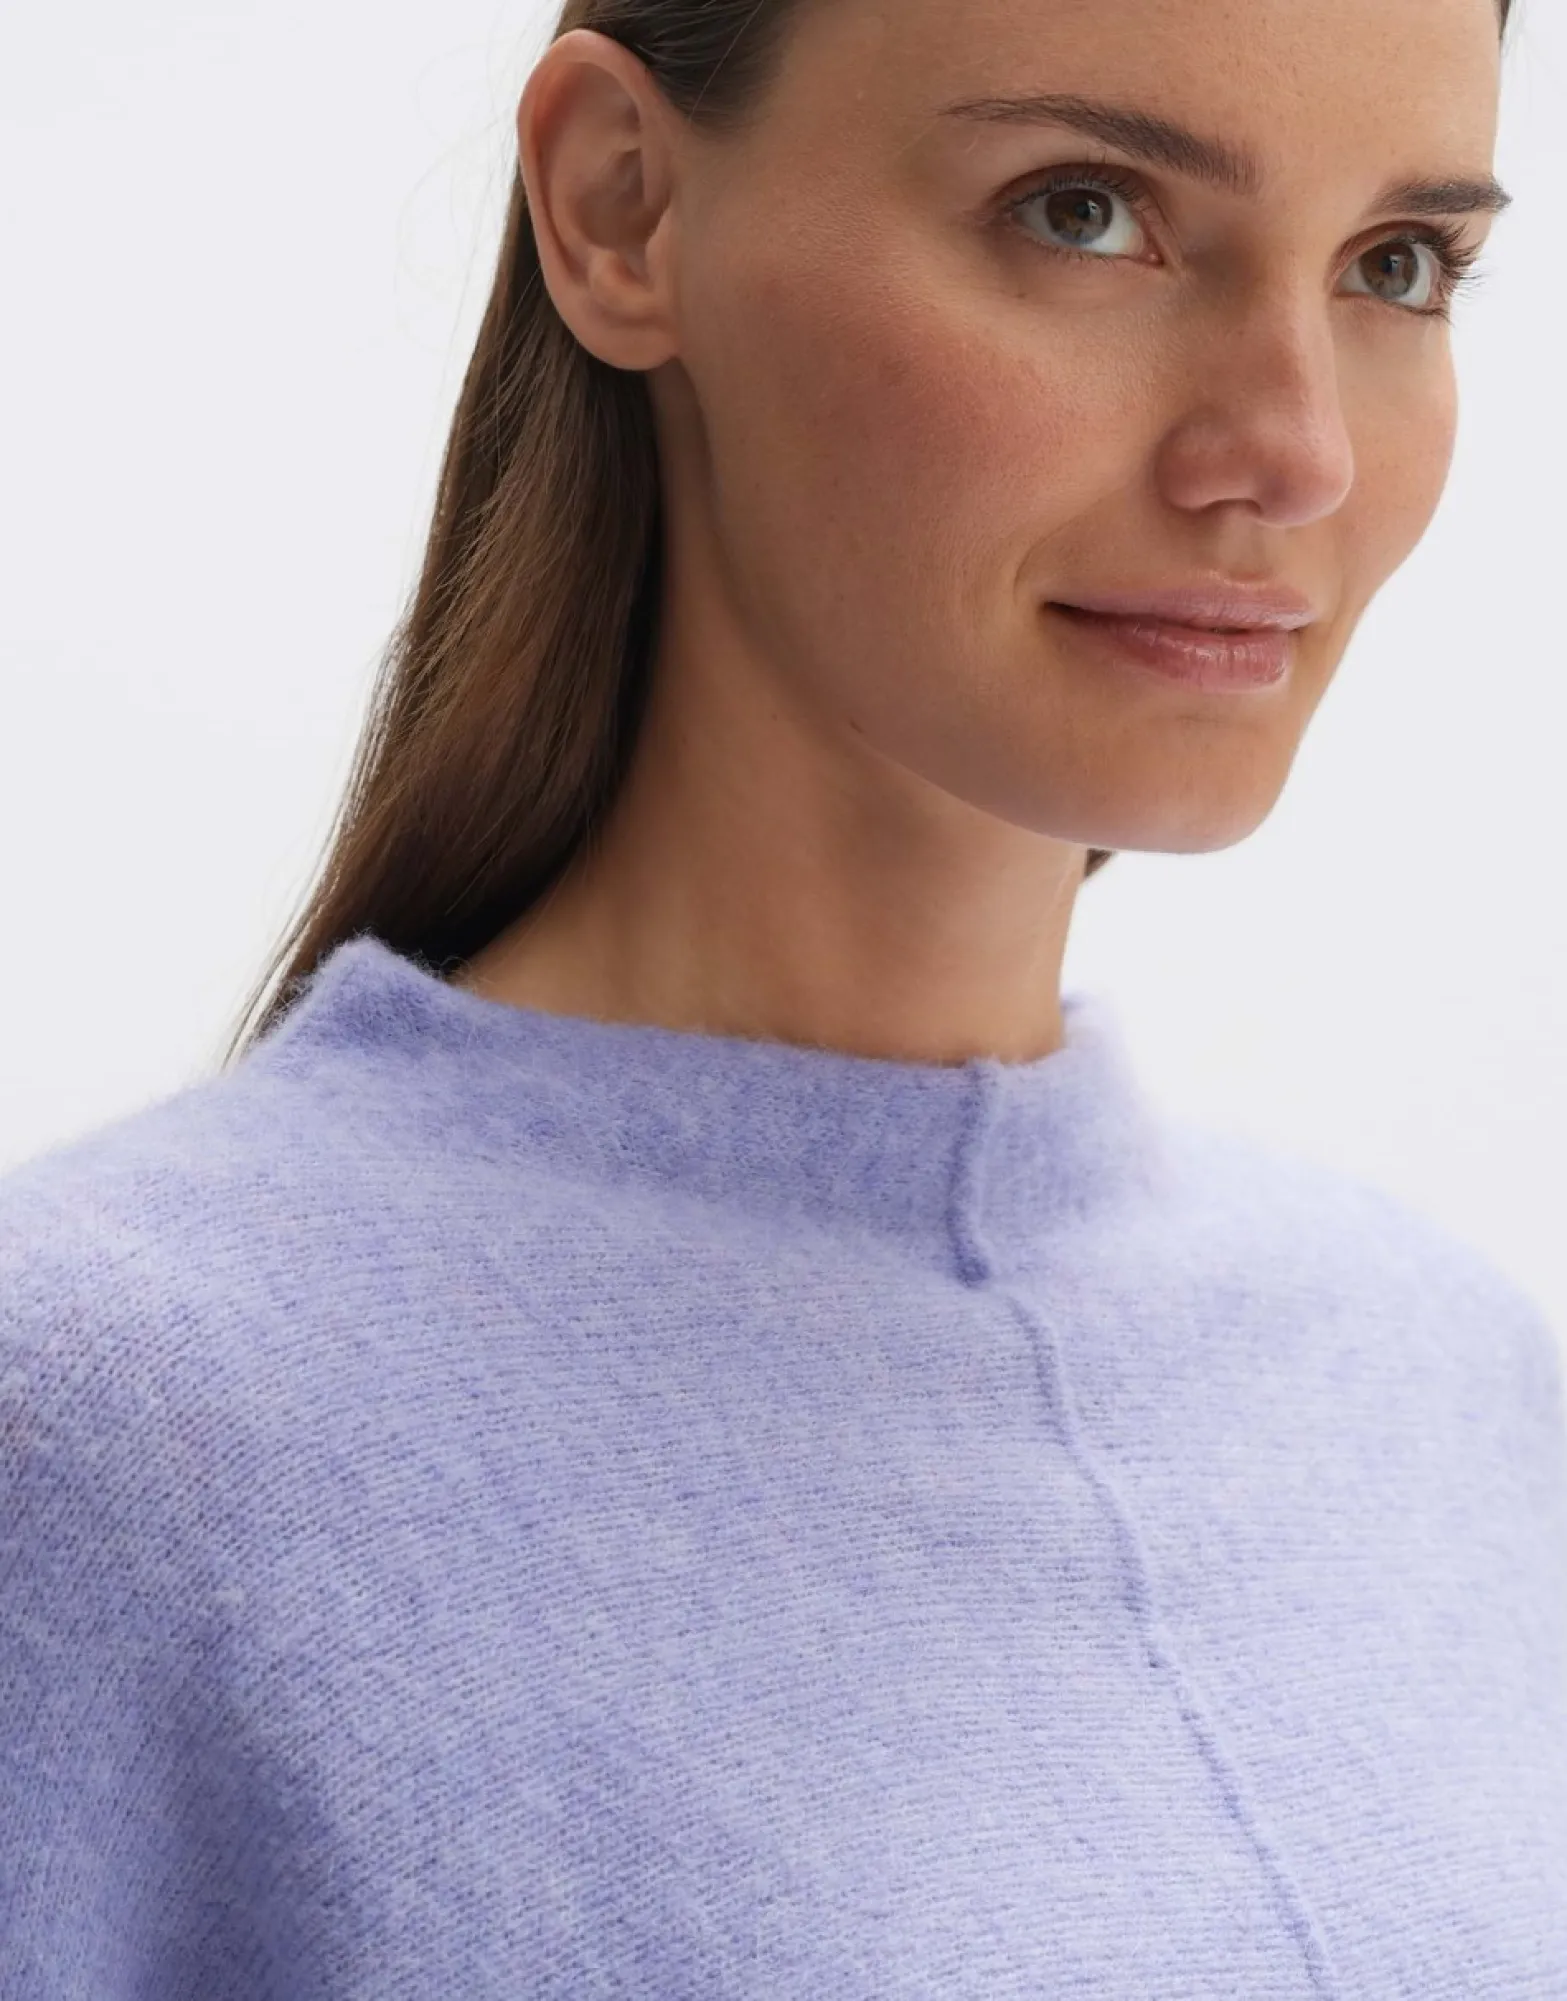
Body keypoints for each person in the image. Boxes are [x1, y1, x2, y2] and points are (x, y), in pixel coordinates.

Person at [2, 0, 1562, 1992]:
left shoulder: (1437, 1389)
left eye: (1396, 265)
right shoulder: (111, 1448)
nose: (1294, 451)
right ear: (619, 206)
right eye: (1084, 211)